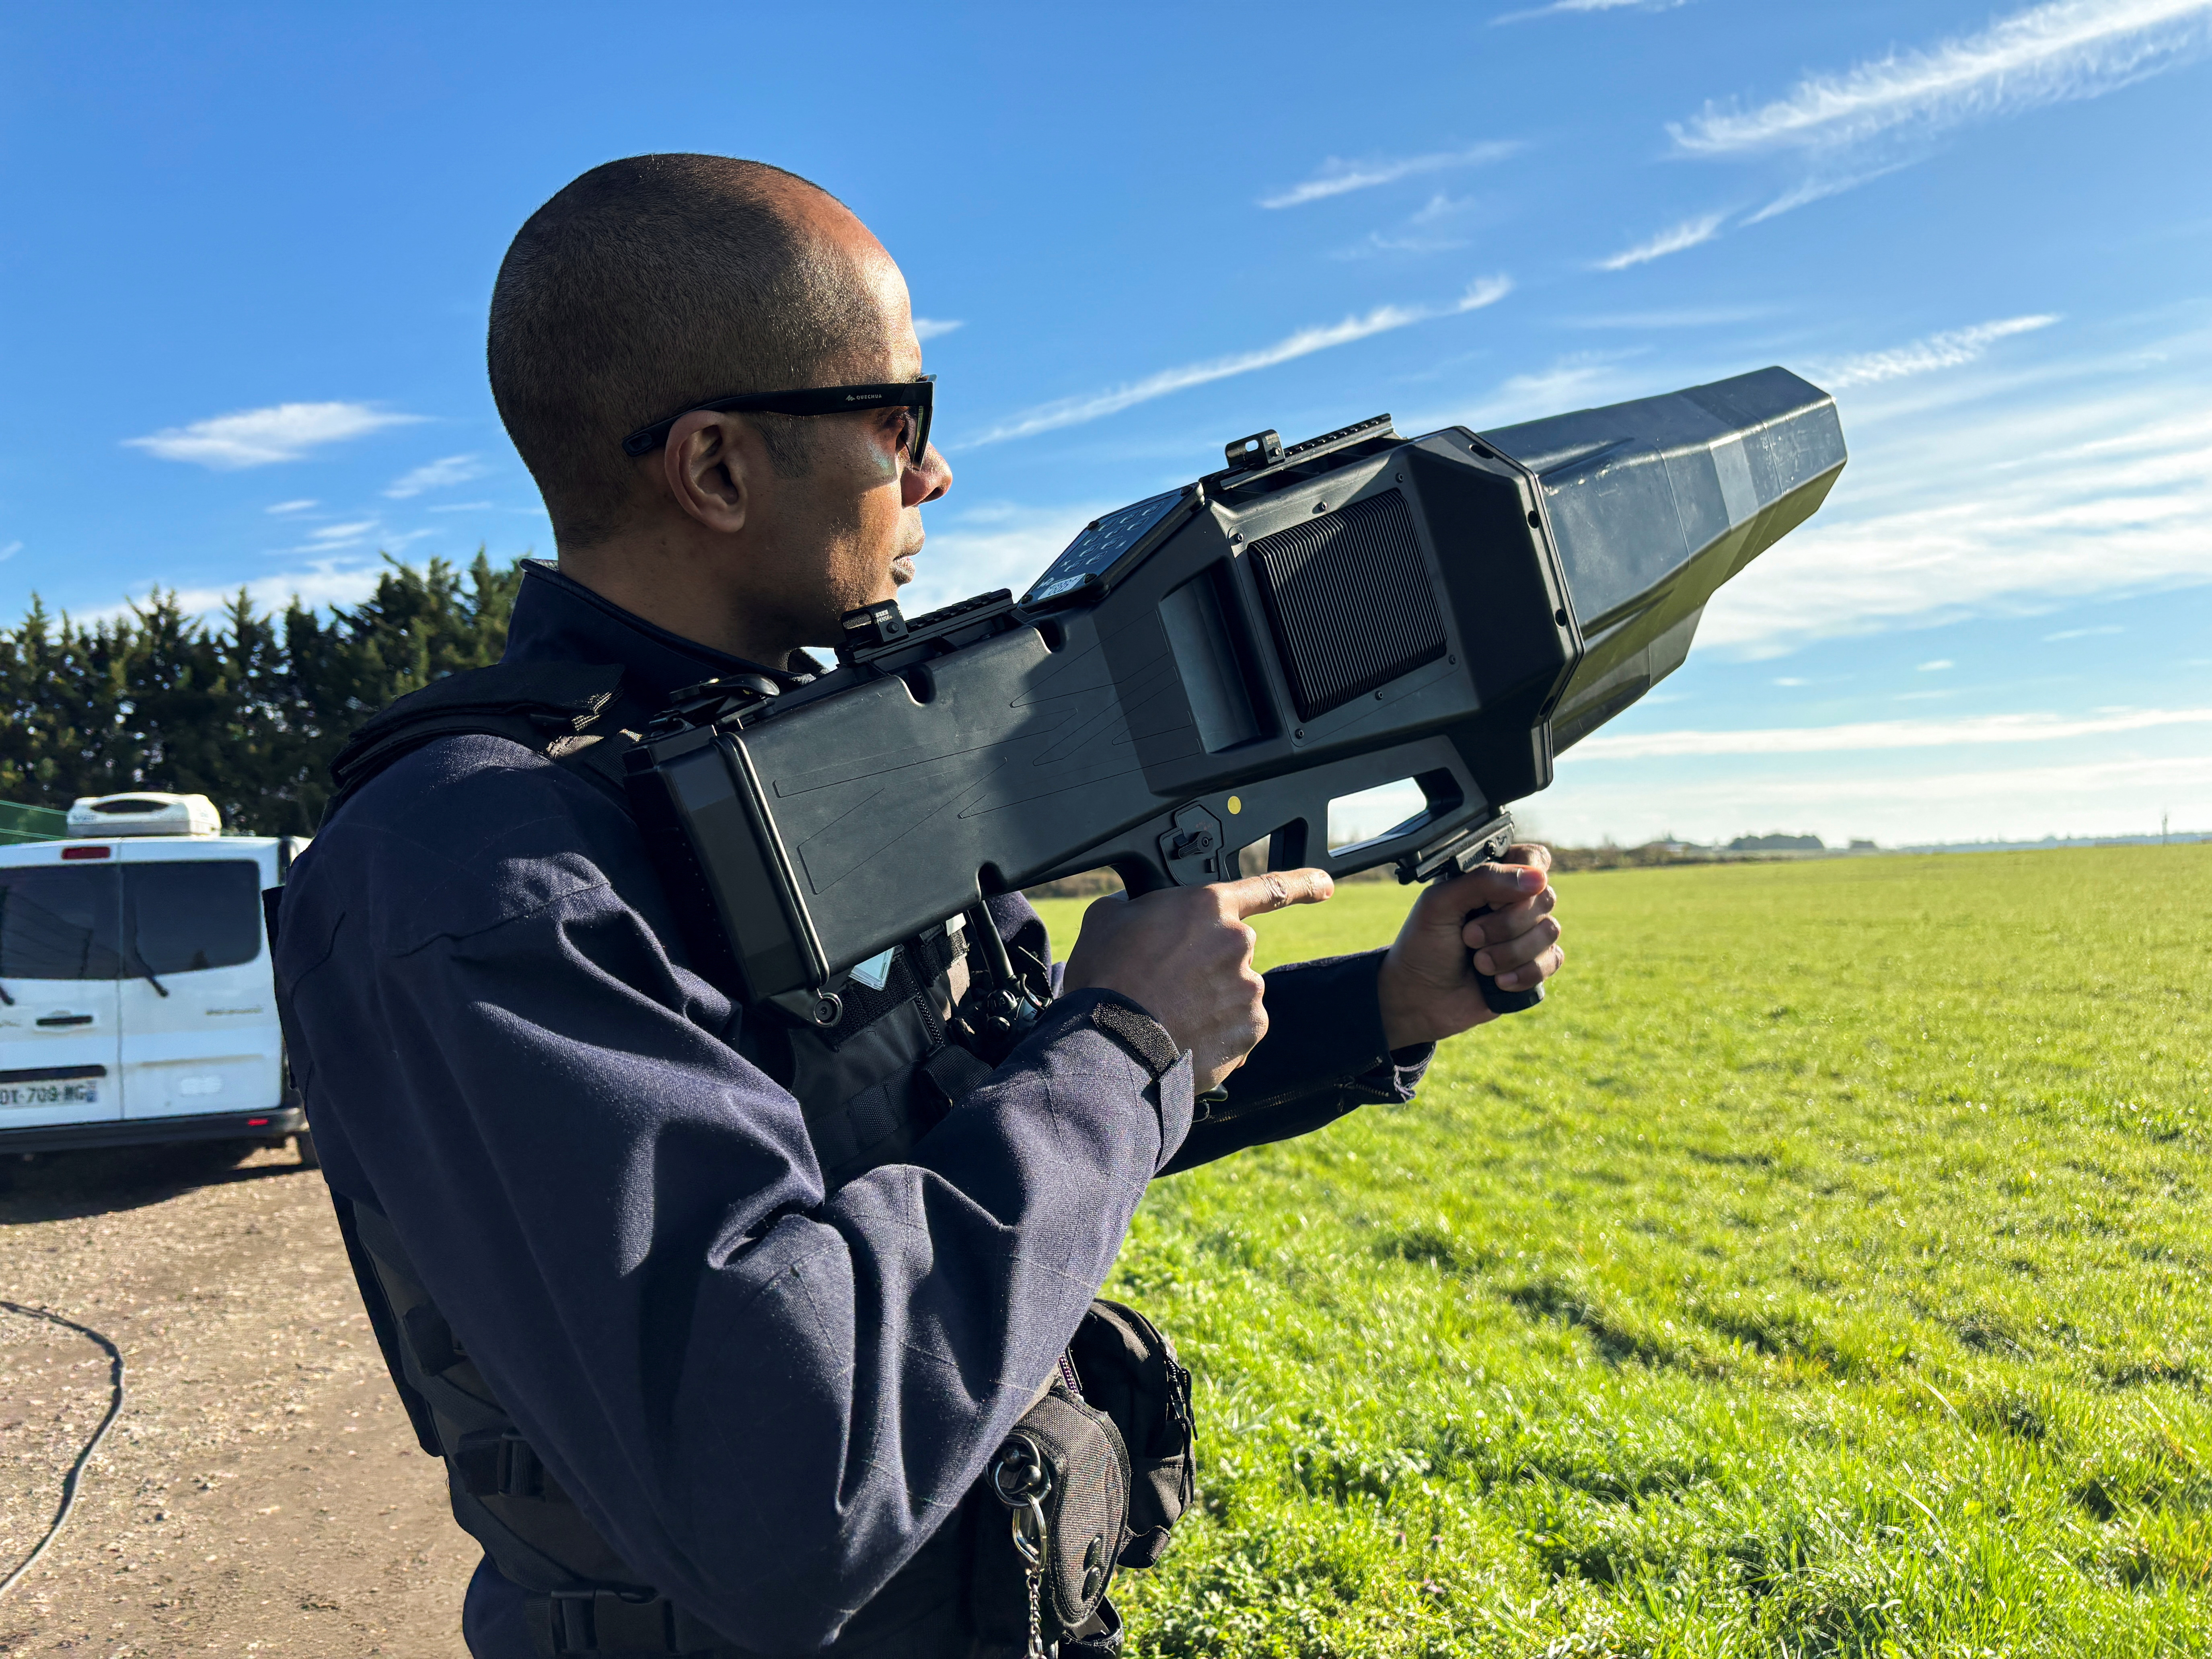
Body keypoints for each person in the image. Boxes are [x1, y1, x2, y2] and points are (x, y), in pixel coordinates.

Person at [270, 154, 1564, 1659]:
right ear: (717, 469)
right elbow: (782, 1476)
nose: (934, 476)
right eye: (898, 422)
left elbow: (1013, 1105)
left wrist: (1386, 1005)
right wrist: (1124, 1037)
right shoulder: (478, 872)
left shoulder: (819, 777)